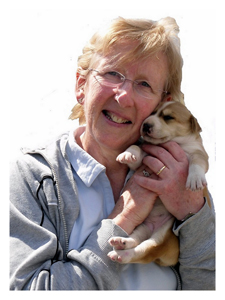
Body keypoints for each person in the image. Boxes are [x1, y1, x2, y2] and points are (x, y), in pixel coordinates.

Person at [10, 16, 215, 290]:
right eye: (113, 74)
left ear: (161, 105)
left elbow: (209, 286)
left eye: (144, 85)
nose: (123, 96)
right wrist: (125, 216)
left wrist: (194, 216)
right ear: (81, 85)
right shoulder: (34, 176)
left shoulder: (179, 174)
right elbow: (27, 291)